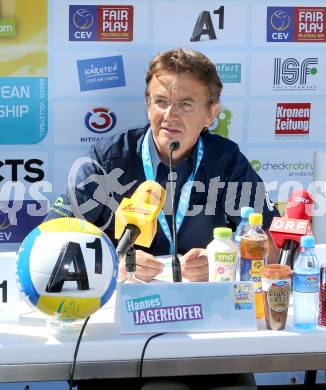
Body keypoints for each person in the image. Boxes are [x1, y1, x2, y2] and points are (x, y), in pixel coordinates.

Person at [46, 48, 279, 389]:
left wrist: (220, 259)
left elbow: (272, 248)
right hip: (119, 337)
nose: (170, 115)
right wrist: (113, 264)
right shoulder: (107, 159)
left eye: (186, 104)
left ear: (211, 113)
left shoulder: (226, 160)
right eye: (160, 101)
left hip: (205, 331)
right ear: (147, 103)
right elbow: (50, 246)